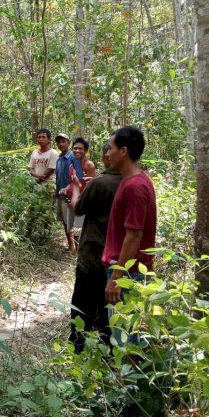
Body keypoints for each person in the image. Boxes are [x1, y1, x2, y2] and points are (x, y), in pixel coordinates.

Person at [102, 126, 157, 347]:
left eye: (111, 148)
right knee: (127, 336)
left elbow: (134, 236)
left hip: (129, 274)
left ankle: (129, 381)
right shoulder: (134, 180)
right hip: (128, 272)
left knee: (126, 340)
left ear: (123, 151)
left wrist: (116, 279)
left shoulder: (135, 186)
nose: (107, 153)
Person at [69, 142, 122, 353]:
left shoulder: (100, 183)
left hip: (92, 254)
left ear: (107, 157)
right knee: (108, 308)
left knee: (82, 306)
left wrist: (75, 186)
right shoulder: (133, 181)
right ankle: (107, 349)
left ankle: (80, 347)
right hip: (119, 259)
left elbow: (78, 208)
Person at [63, 137, 97, 228]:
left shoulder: (88, 164)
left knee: (79, 230)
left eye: (80, 148)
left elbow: (92, 186)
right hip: (71, 202)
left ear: (85, 151)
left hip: (82, 204)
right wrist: (66, 188)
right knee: (72, 231)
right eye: (75, 148)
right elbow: (72, 182)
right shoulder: (71, 165)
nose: (77, 150)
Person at [54, 133, 76, 252]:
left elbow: (77, 176)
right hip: (61, 195)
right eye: (59, 142)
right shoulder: (59, 159)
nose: (61, 144)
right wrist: (56, 194)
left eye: (64, 141)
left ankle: (76, 247)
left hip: (71, 195)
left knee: (73, 221)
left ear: (68, 143)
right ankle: (70, 246)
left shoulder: (72, 157)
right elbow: (58, 178)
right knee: (65, 221)